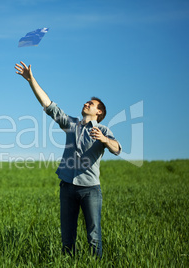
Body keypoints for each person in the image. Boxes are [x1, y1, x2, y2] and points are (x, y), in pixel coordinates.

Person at [14, 61, 121, 258]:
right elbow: (48, 104)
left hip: (90, 190)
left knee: (94, 236)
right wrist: (31, 80)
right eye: (86, 102)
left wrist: (105, 140)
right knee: (67, 238)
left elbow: (117, 149)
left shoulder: (103, 130)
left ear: (99, 112)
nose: (86, 103)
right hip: (67, 187)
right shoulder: (72, 124)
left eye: (91, 104)